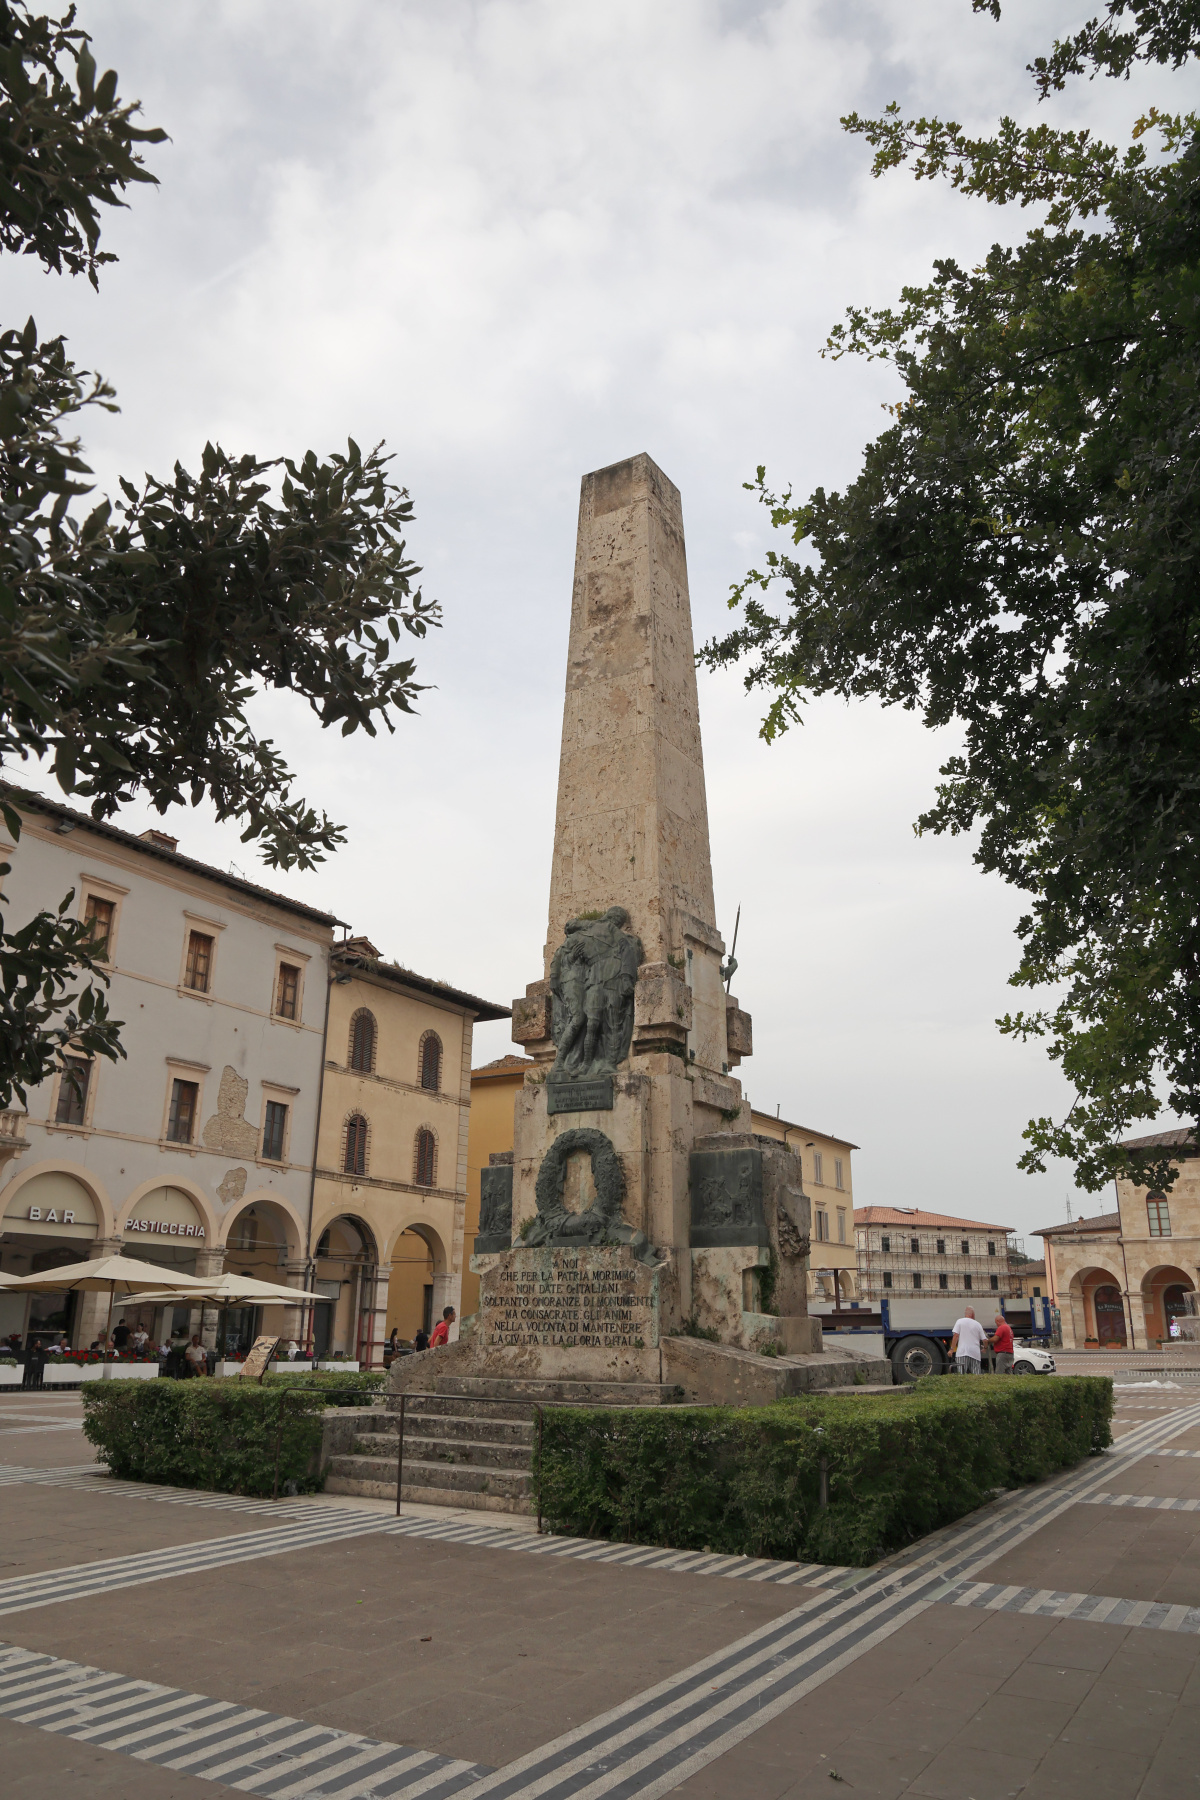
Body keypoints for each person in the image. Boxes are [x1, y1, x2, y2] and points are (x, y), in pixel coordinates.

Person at [949, 1306, 987, 1374]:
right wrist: (985, 1348)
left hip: (962, 1352)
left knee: (961, 1374)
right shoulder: (978, 1324)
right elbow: (985, 1340)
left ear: (965, 1314)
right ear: (972, 1314)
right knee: (976, 1375)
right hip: (975, 1353)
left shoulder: (960, 1321)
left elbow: (956, 1336)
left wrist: (952, 1349)